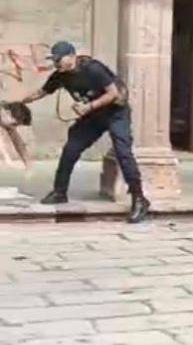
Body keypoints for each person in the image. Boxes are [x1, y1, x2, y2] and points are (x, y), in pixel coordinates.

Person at [14, 41, 150, 224]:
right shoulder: (60, 76)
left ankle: (139, 199)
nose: (56, 63)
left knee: (123, 152)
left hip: (115, 113)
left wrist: (88, 107)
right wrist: (19, 102)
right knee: (71, 149)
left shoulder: (93, 69)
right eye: (54, 60)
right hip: (93, 116)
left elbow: (113, 93)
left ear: (71, 56)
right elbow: (42, 92)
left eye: (58, 59)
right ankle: (59, 192)